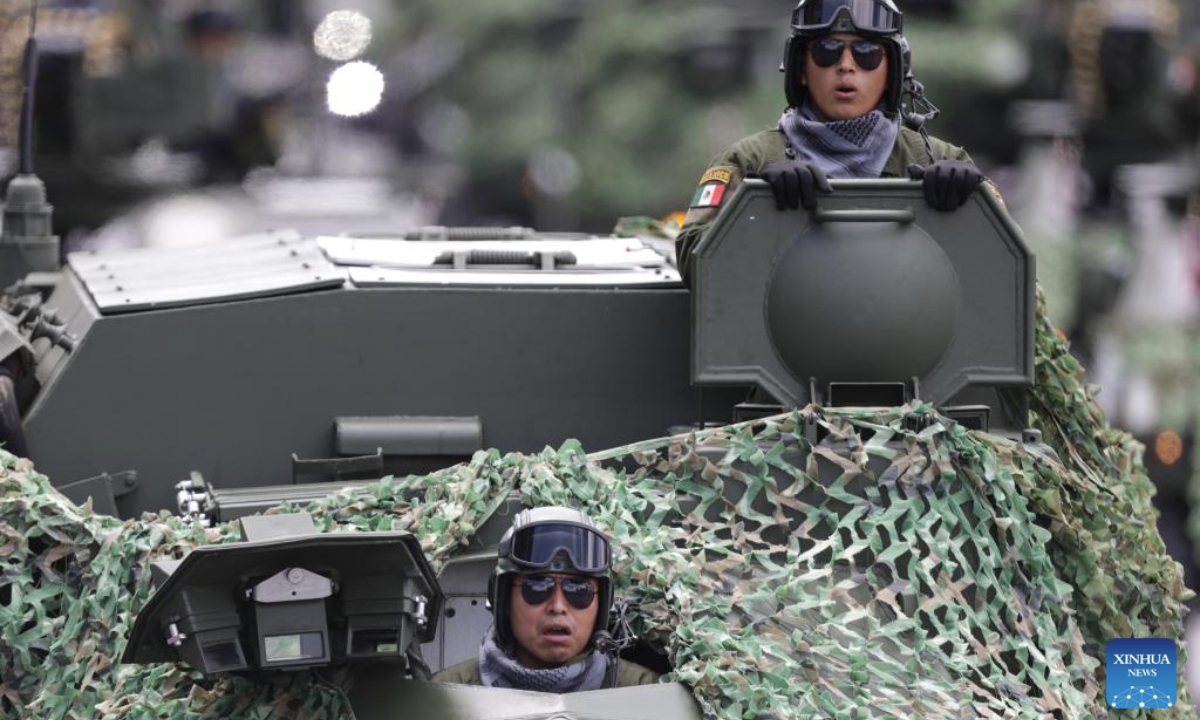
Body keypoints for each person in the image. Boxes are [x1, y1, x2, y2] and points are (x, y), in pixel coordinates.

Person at [675, 0, 987, 280]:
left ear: (893, 70)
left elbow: (1008, 272)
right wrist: (755, 209)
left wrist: (971, 209)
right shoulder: (749, 161)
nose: (846, 65)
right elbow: (691, 260)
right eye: (827, 51)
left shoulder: (938, 160)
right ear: (801, 69)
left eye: (866, 53)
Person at [432, 506, 659, 691]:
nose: (558, 607)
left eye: (579, 590)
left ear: (603, 606)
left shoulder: (645, 692)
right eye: (537, 587)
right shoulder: (446, 695)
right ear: (503, 600)